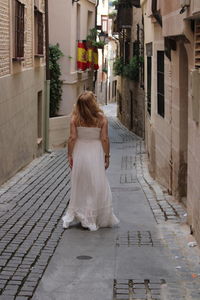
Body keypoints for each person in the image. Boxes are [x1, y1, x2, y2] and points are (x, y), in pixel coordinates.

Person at [62, 91, 119, 231]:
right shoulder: (101, 118)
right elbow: (104, 139)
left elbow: (72, 138)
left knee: (81, 182)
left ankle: (81, 214)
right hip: (95, 152)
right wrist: (107, 156)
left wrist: (70, 155)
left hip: (80, 152)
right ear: (92, 103)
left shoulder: (75, 118)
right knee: (96, 183)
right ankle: (92, 215)